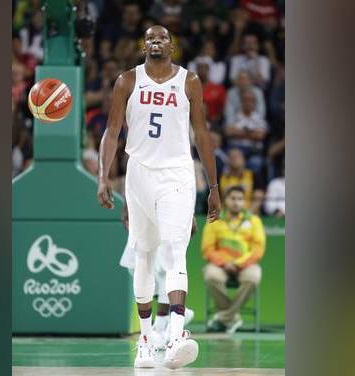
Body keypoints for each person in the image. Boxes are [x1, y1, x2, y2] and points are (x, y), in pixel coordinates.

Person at [96, 25, 220, 369]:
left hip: (177, 174)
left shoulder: (189, 81)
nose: (155, 41)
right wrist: (103, 176)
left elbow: (202, 133)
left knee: (174, 250)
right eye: (150, 38)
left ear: (172, 46)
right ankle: (147, 341)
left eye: (162, 37)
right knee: (145, 256)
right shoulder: (128, 81)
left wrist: (213, 186)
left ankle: (177, 335)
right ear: (142, 46)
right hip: (139, 174)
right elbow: (111, 130)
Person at [119, 203, 196, 351]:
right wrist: (128, 218)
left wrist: (189, 215)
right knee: (142, 277)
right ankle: (179, 315)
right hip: (143, 233)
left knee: (165, 277)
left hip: (165, 233)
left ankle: (160, 328)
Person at [201, 185, 266, 333]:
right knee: (210, 275)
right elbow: (207, 248)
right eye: (233, 198)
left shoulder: (254, 221)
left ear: (245, 202)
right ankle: (233, 317)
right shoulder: (214, 219)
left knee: (254, 276)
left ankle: (224, 317)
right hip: (220, 266)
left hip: (245, 265)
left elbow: (258, 249)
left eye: (240, 199)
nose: (236, 202)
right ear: (225, 201)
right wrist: (224, 263)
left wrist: (238, 264)